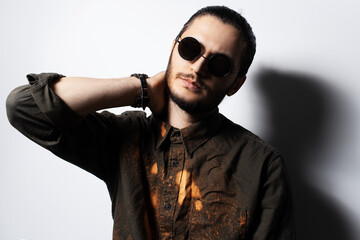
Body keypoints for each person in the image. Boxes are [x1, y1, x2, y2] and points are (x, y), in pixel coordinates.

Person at [6, 5, 295, 240]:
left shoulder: (262, 165)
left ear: (235, 84)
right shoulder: (126, 136)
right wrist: (141, 88)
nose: (197, 67)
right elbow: (24, 107)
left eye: (219, 64)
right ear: (173, 49)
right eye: (191, 48)